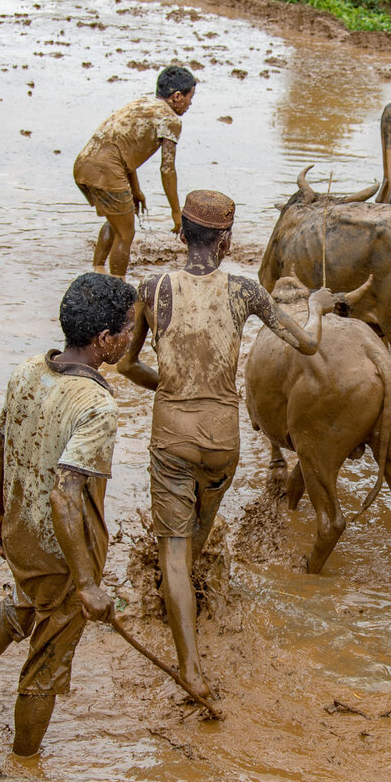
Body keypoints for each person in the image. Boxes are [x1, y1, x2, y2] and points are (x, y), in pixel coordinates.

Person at [117, 190, 336, 702]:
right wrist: (317, 306)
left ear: (181, 234)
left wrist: (169, 384)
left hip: (171, 434)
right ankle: (194, 602)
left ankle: (190, 668)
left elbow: (126, 366)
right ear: (226, 239)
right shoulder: (245, 290)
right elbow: (307, 343)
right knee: (196, 534)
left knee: (173, 548)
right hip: (222, 441)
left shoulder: (150, 289)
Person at [0, 273, 137, 758]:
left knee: (19, 603)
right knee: (46, 664)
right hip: (65, 556)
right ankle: (25, 768)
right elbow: (67, 496)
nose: (132, 338)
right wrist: (86, 583)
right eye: (128, 329)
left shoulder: (28, 371)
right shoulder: (97, 404)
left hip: (22, 533)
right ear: (104, 339)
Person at [73, 65, 196, 278]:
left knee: (115, 221)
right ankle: (117, 285)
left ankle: (98, 271)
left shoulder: (141, 103)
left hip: (85, 164)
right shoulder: (171, 120)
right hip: (106, 170)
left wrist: (136, 191)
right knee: (126, 233)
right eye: (189, 98)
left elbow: (124, 151)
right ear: (177, 96)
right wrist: (176, 212)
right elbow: (167, 170)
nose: (190, 104)